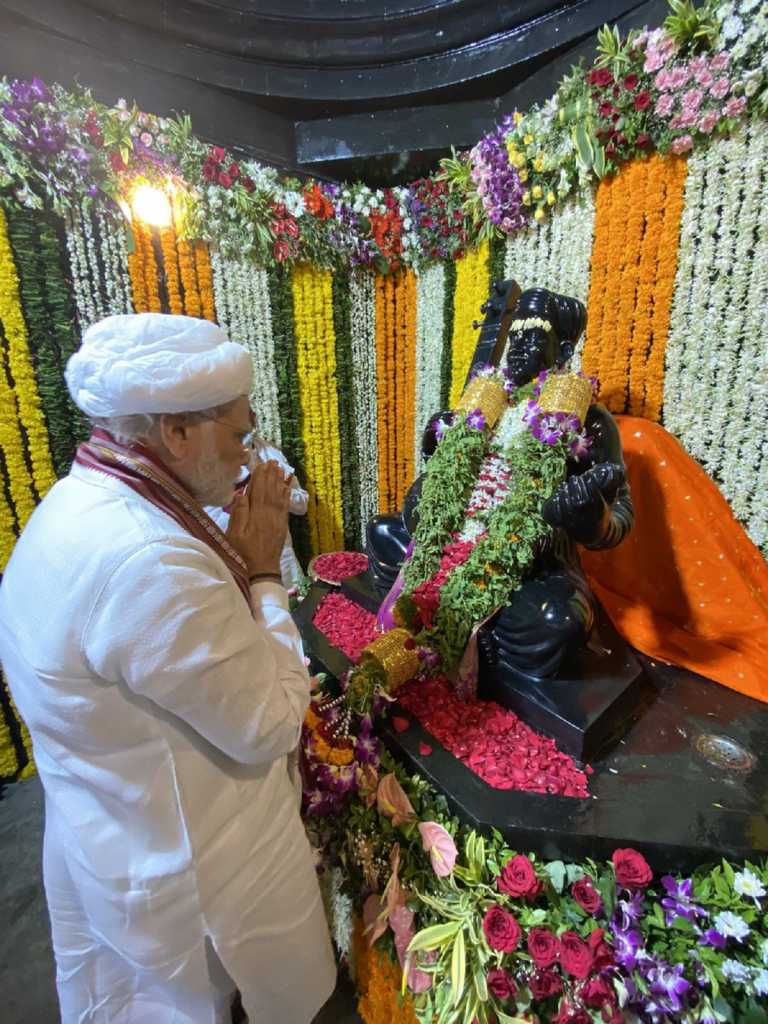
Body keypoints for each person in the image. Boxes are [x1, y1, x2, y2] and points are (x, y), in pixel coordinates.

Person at [0, 313, 336, 1023]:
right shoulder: (149, 559)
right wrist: (262, 572)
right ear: (177, 432)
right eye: (240, 435)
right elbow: (270, 725)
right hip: (195, 871)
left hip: (117, 832)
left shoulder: (76, 500)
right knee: (208, 1000)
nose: (246, 458)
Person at [207, 439, 308, 591]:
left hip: (281, 560)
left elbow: (301, 504)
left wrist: (266, 483)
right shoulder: (205, 455)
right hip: (229, 565)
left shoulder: (268, 453)